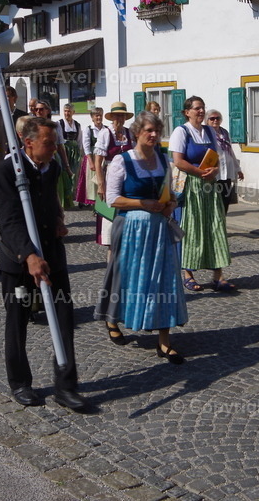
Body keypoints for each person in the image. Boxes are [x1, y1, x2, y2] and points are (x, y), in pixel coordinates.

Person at [0, 116, 89, 411]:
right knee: (18, 320)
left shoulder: (53, 167)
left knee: (63, 318)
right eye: (48, 144)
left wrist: (59, 222)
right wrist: (29, 255)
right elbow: (7, 221)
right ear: (28, 142)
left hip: (51, 257)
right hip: (19, 260)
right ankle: (20, 383)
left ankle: (66, 386)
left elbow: (50, 202)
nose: (54, 148)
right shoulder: (7, 170)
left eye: (55, 143)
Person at [96, 110, 187, 363]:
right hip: (131, 229)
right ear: (137, 132)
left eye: (157, 131)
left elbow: (170, 191)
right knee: (124, 277)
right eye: (149, 130)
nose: (154, 134)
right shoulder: (122, 161)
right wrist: (143, 203)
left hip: (159, 230)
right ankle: (113, 319)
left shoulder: (162, 157)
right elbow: (113, 199)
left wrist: (170, 203)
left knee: (163, 280)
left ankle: (164, 342)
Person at [170, 96, 234, 292]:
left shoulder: (209, 131)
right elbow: (178, 160)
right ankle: (188, 274)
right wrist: (199, 172)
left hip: (209, 186)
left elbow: (216, 156)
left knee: (215, 226)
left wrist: (214, 170)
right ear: (187, 112)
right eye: (197, 108)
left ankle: (218, 275)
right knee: (191, 229)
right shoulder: (181, 131)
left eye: (202, 108)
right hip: (190, 186)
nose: (200, 111)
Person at [94, 102, 135, 248]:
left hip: (128, 175)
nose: (120, 118)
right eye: (117, 115)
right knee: (111, 211)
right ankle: (111, 248)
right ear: (112, 117)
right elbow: (98, 161)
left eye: (122, 115)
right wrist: (101, 184)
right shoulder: (105, 133)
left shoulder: (129, 133)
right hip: (110, 173)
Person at [205, 109, 244, 213]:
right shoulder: (206, 133)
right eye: (212, 118)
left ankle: (222, 224)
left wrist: (238, 169)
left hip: (227, 172)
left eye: (217, 118)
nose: (215, 120)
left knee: (225, 200)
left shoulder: (224, 133)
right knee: (215, 202)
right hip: (215, 173)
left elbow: (230, 151)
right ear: (207, 120)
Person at [0, 86, 27, 165]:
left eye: (7, 96)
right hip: (0, 157)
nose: (4, 99)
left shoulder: (23, 116)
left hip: (19, 158)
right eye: (2, 96)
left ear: (14, 98)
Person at [75, 107, 105, 207]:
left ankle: (100, 203)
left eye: (100, 115)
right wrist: (91, 161)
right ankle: (92, 203)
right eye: (96, 115)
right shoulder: (88, 129)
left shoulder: (105, 129)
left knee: (102, 179)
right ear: (92, 118)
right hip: (92, 157)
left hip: (102, 157)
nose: (99, 117)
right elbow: (86, 146)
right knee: (91, 182)